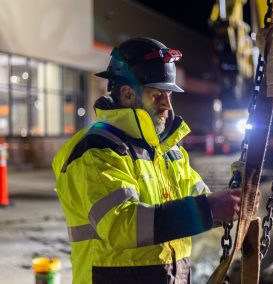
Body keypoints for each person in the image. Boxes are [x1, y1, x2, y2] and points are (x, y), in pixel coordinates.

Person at [52, 37, 247, 284]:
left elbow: (201, 203)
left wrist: (234, 201)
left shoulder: (169, 151)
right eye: (157, 95)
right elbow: (122, 225)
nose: (167, 104)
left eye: (169, 94)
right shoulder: (96, 149)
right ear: (127, 94)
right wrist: (208, 208)